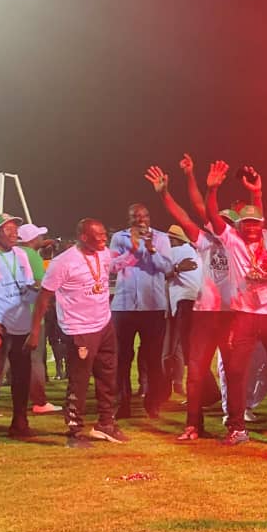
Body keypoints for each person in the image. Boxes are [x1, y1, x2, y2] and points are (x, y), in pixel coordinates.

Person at [28, 219, 141, 447]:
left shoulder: (104, 253)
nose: (103, 239)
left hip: (104, 324)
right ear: (83, 236)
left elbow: (117, 265)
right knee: (79, 382)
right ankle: (75, 432)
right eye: (97, 235)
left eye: (103, 234)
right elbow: (44, 297)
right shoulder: (64, 262)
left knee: (108, 377)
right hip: (79, 329)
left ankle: (106, 424)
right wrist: (35, 329)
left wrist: (135, 251)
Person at [145, 163, 231, 440]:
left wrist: (206, 186)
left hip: (234, 313)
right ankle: (194, 425)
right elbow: (187, 213)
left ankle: (237, 426)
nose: (219, 224)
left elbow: (202, 208)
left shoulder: (239, 244)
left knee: (235, 370)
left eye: (225, 222)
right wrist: (167, 193)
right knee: (195, 370)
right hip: (205, 312)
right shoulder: (205, 242)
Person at [205, 161, 267, 446]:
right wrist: (212, 190)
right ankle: (236, 426)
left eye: (255, 222)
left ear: (262, 226)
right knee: (236, 371)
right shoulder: (233, 242)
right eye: (245, 223)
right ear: (237, 226)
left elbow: (257, 213)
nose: (251, 227)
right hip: (242, 315)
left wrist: (258, 192)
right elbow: (213, 217)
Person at [110, 203, 174, 419]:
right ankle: (123, 402)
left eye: (144, 215)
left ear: (149, 217)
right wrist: (133, 251)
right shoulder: (119, 238)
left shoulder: (161, 238)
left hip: (152, 306)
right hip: (124, 305)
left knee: (153, 358)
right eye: (135, 216)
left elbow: (167, 268)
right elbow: (111, 266)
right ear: (129, 218)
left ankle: (152, 402)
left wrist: (150, 250)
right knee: (122, 358)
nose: (140, 219)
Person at [0, 214, 42, 441]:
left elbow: (28, 287)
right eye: (7, 229)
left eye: (15, 229)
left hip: (21, 324)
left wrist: (39, 294)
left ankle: (20, 422)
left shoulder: (22, 255)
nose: (14, 233)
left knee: (22, 376)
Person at [15, 222, 62, 414]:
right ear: (32, 239)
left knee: (8, 360)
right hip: (33, 315)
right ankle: (39, 402)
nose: (42, 239)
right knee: (35, 360)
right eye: (39, 237)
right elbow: (43, 285)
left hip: (11, 315)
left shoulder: (12, 253)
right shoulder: (32, 256)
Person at [164, 225, 201, 398]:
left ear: (175, 240)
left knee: (179, 351)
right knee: (185, 349)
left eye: (170, 240)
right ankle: (183, 386)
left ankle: (204, 392)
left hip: (183, 303)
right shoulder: (192, 251)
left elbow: (158, 271)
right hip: (194, 302)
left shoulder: (176, 252)